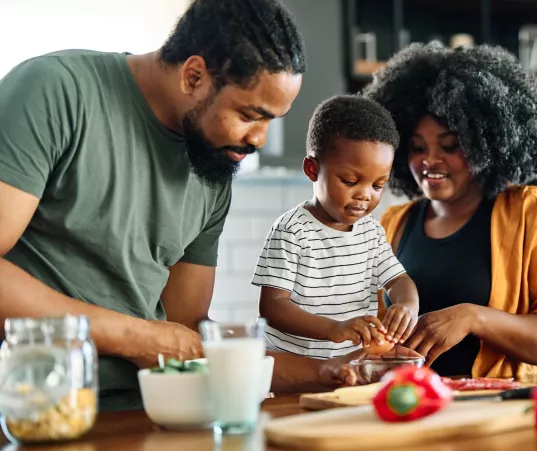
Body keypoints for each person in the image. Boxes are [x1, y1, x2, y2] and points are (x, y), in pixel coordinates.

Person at [0, 0, 312, 411]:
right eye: (250, 114)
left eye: (272, 119)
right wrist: (134, 336)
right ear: (194, 76)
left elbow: (185, 331)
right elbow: (157, 338)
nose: (258, 138)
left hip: (147, 411)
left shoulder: (213, 162)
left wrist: (334, 370)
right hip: (30, 408)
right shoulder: (54, 91)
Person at [362, 42, 537, 381]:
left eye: (450, 146)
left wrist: (474, 318)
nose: (430, 161)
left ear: (486, 142)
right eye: (417, 147)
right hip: (405, 406)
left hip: (494, 411)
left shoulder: (536, 214)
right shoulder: (392, 224)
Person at [253, 95, 420, 359]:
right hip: (294, 370)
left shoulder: (370, 233)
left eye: (377, 185)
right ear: (312, 169)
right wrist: (333, 329)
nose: (365, 195)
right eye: (350, 180)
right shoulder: (292, 231)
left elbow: (398, 280)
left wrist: (407, 305)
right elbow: (273, 308)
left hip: (350, 367)